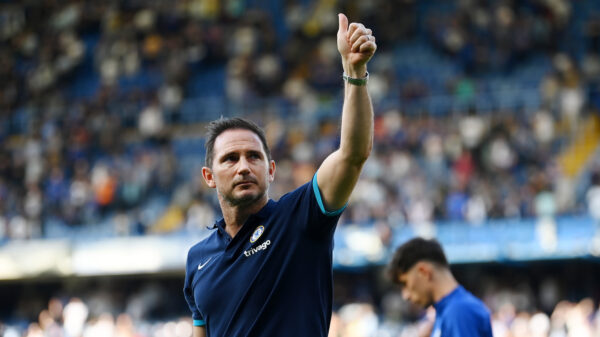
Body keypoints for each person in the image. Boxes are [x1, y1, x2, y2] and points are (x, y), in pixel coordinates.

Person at [183, 13, 377, 337]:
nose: (244, 166)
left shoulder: (301, 217)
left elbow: (352, 155)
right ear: (209, 176)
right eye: (230, 159)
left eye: (253, 157)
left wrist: (354, 73)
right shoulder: (197, 258)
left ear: (270, 170)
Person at [387, 238, 493, 337]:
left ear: (423, 272)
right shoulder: (447, 311)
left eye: (405, 283)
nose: (405, 296)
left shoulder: (459, 312)